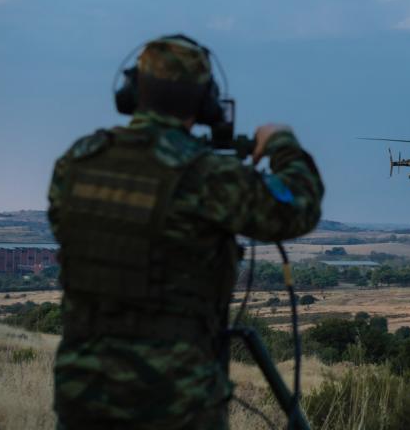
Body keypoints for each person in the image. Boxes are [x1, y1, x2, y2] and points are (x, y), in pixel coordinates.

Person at [47, 34, 324, 429]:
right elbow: (297, 207)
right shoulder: (205, 175)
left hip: (83, 392)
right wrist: (282, 145)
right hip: (175, 399)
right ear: (206, 103)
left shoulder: (76, 162)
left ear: (131, 92)